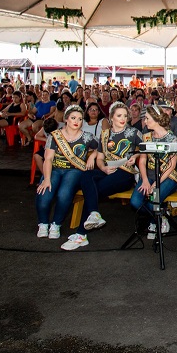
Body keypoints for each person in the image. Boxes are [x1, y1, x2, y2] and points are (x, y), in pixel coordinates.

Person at [61, 102, 142, 251]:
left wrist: (136, 155)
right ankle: (93, 215)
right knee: (87, 175)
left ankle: (81, 233)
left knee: (93, 190)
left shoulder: (133, 132)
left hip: (125, 173)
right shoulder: (105, 134)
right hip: (108, 169)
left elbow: (145, 150)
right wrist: (104, 168)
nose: (122, 118)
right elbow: (99, 157)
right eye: (119, 116)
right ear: (111, 117)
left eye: (125, 115)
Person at [35, 105, 98, 240]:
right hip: (55, 168)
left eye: (80, 119)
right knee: (44, 192)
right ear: (66, 119)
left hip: (74, 170)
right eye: (73, 118)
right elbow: (48, 158)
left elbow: (101, 147)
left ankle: (56, 224)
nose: (77, 121)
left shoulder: (87, 137)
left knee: (65, 193)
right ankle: (43, 223)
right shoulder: (55, 136)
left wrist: (92, 156)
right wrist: (46, 178)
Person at [130, 104, 177, 240]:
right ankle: (160, 215)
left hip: (167, 176)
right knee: (135, 201)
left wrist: (156, 184)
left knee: (154, 201)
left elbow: (172, 165)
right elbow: (142, 161)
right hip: (149, 174)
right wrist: (145, 180)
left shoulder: (171, 137)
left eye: (147, 118)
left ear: (156, 118)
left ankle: (156, 220)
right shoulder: (146, 136)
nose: (145, 121)